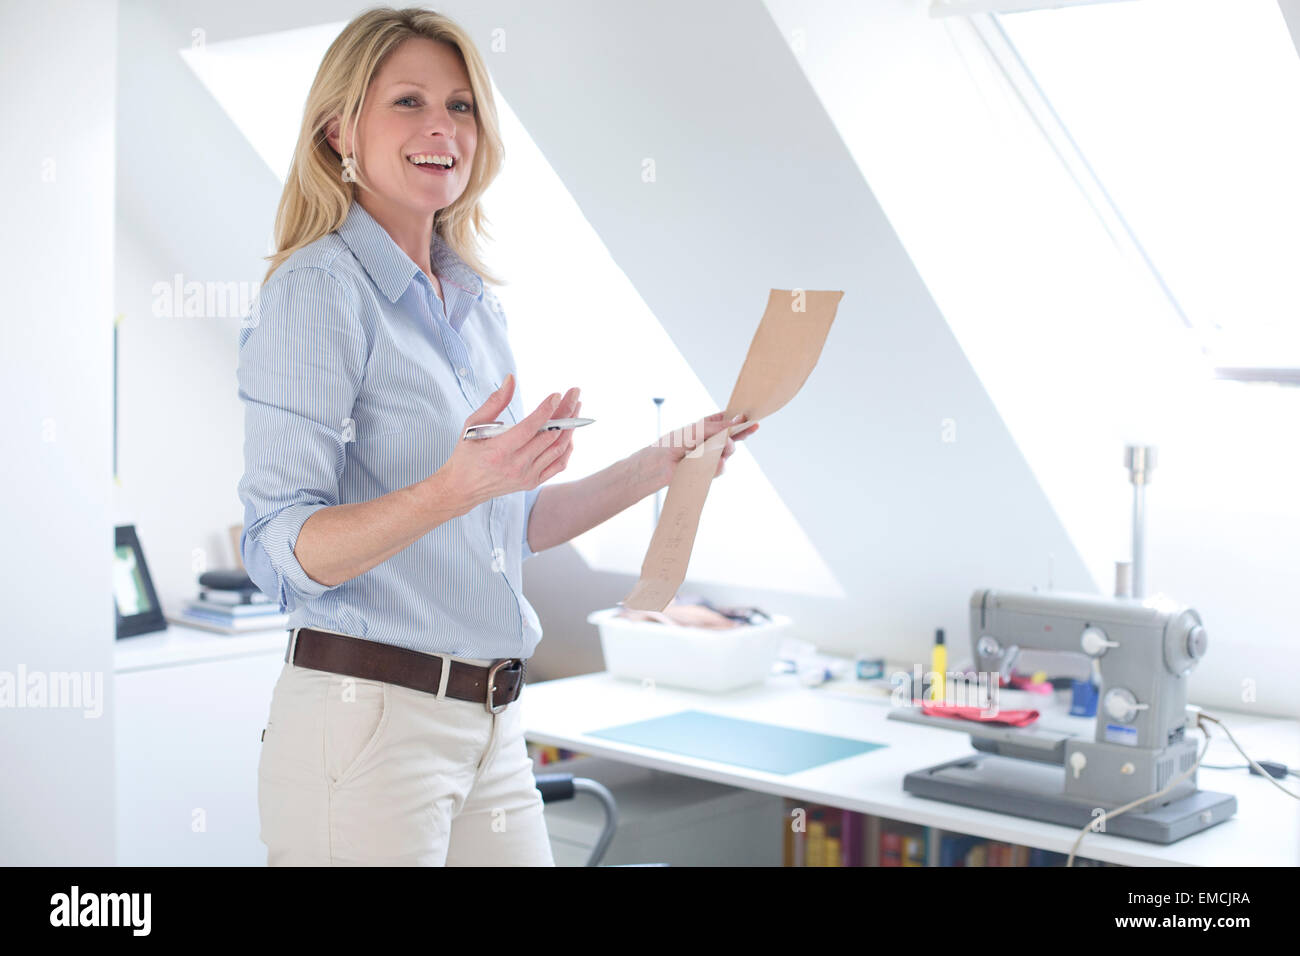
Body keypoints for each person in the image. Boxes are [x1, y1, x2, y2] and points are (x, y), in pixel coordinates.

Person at [237, 6, 757, 866]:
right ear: (340, 131)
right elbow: (278, 546)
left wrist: (666, 464)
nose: (442, 126)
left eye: (462, 105)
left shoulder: (473, 305)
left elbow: (512, 527)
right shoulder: (317, 292)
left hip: (491, 724)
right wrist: (456, 486)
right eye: (408, 101)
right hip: (367, 725)